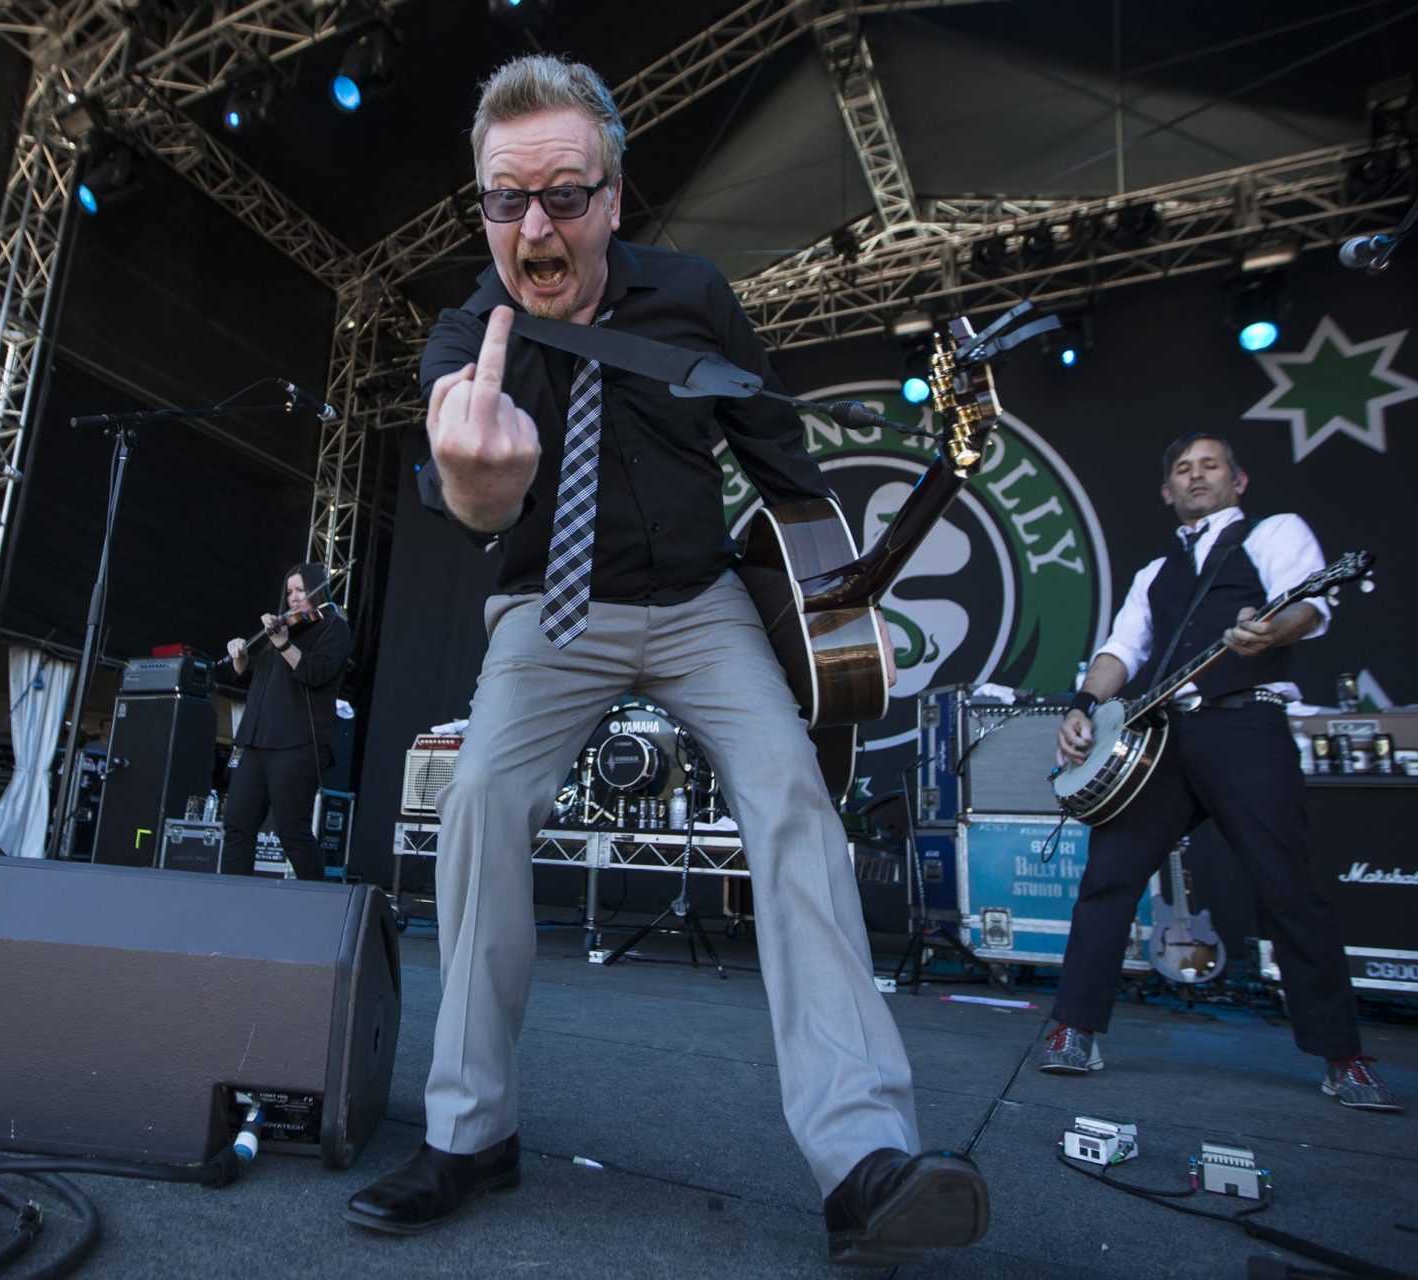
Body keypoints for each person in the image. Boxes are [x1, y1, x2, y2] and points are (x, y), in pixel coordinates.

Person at [342, 55, 989, 1266]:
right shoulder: (460, 335)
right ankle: (470, 1131)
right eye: (504, 199)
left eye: (564, 194)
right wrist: (478, 483)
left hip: (700, 606)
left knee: (797, 805)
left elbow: (776, 446)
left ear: (615, 198)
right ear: (481, 204)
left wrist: (833, 584)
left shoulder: (695, 293)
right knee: (478, 803)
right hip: (550, 608)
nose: (534, 225)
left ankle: (865, 1159)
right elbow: (464, 477)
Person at [1042, 433, 1400, 1111]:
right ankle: (1073, 1029)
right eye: (1183, 469)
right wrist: (1085, 705)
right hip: (1163, 738)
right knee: (1108, 877)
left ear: (1238, 481)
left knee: (1287, 886)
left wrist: (1272, 631)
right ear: (1167, 492)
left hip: (1245, 726)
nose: (1196, 475)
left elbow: (1309, 605)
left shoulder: (1273, 532)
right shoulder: (1155, 571)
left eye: (1210, 465)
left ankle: (1344, 1057)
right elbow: (1122, 647)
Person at [220, 563, 350, 881]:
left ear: (318, 588)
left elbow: (314, 673)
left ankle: (319, 907)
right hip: (257, 740)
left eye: (301, 590)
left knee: (291, 830)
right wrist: (240, 655)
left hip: (299, 742)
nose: (293, 598)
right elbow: (252, 676)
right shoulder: (283, 629)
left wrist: (283, 643)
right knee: (237, 822)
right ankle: (230, 901)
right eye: (289, 591)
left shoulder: (333, 628)